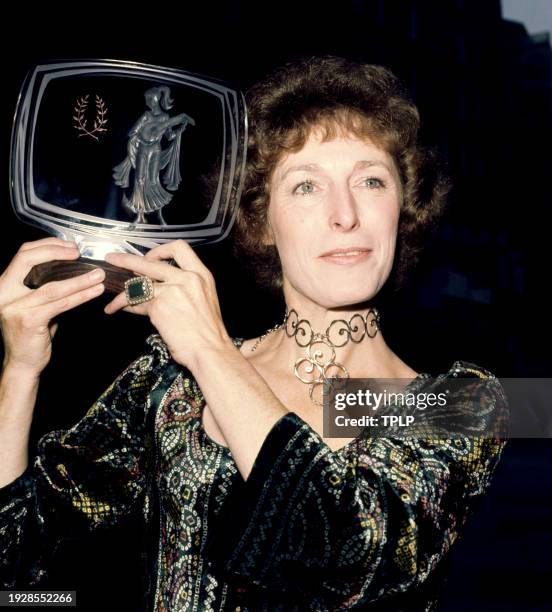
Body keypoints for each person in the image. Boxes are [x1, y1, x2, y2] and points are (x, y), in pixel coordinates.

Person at [0, 56, 508, 611]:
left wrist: (211, 350)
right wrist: (20, 371)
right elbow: (14, 566)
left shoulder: (466, 403)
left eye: (370, 179)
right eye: (306, 186)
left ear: (403, 209)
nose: (345, 215)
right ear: (262, 221)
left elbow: (339, 553)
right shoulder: (169, 382)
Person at [112, 85, 195, 225]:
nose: (146, 102)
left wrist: (179, 131)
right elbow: (132, 131)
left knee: (154, 180)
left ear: (154, 100)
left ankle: (159, 215)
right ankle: (139, 215)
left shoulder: (165, 117)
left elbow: (169, 136)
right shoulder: (146, 115)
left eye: (147, 99)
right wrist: (141, 133)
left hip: (155, 149)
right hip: (143, 149)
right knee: (139, 180)